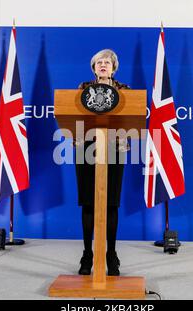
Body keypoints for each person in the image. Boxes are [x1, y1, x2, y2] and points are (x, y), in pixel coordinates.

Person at [75, 49, 130, 276]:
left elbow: (130, 116)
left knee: (111, 203)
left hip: (115, 148)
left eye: (107, 62)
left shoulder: (124, 91)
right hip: (87, 147)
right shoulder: (83, 89)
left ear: (113, 67)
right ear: (94, 67)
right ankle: (88, 254)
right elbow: (74, 115)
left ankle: (111, 254)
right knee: (89, 202)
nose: (103, 65)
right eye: (99, 62)